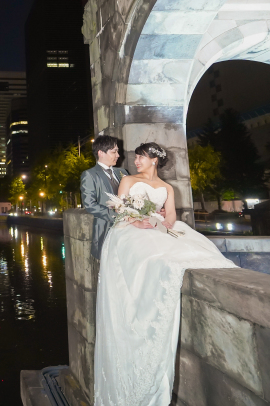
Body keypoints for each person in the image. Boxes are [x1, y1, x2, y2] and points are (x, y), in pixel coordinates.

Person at [93, 142, 237, 406]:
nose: (135, 161)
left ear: (154, 160)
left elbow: (171, 216)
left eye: (140, 157)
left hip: (155, 226)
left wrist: (161, 223)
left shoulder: (168, 188)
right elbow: (120, 213)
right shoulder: (127, 181)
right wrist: (138, 221)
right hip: (129, 230)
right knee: (151, 256)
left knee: (181, 242)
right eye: (135, 157)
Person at [80, 135, 129, 259]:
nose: (118, 155)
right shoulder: (89, 175)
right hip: (106, 229)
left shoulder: (123, 172)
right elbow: (90, 205)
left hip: (129, 229)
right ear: (101, 153)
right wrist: (118, 217)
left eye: (117, 151)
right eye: (114, 152)